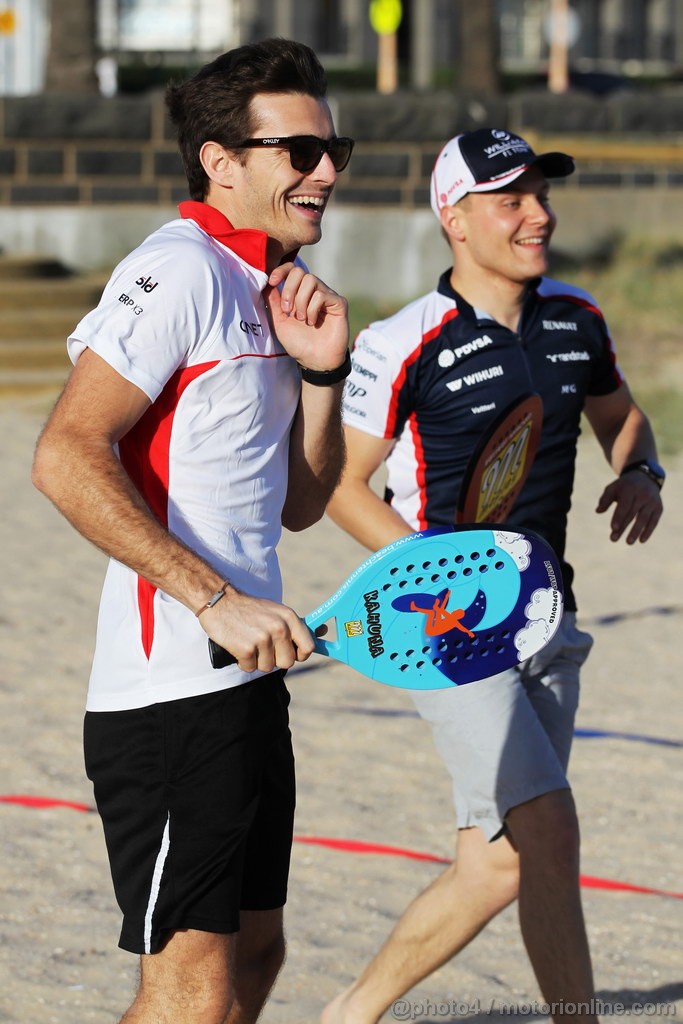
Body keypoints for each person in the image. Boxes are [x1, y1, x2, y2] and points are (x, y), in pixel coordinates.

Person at [32, 38, 354, 1024]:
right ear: (221, 160)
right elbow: (64, 454)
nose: (326, 170)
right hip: (169, 692)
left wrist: (323, 376)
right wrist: (211, 598)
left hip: (248, 684)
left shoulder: (267, 285)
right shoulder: (179, 269)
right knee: (188, 989)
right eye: (298, 151)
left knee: (256, 954)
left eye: (333, 147)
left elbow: (300, 503)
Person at [323, 128, 664, 1024]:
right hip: (449, 632)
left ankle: (348, 1015)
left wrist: (640, 473)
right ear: (455, 217)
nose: (537, 215)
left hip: (551, 619)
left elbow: (624, 420)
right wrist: (442, 575)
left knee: (497, 861)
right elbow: (340, 486)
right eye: (509, 199)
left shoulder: (575, 319)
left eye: (540, 196)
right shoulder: (405, 341)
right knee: (547, 830)